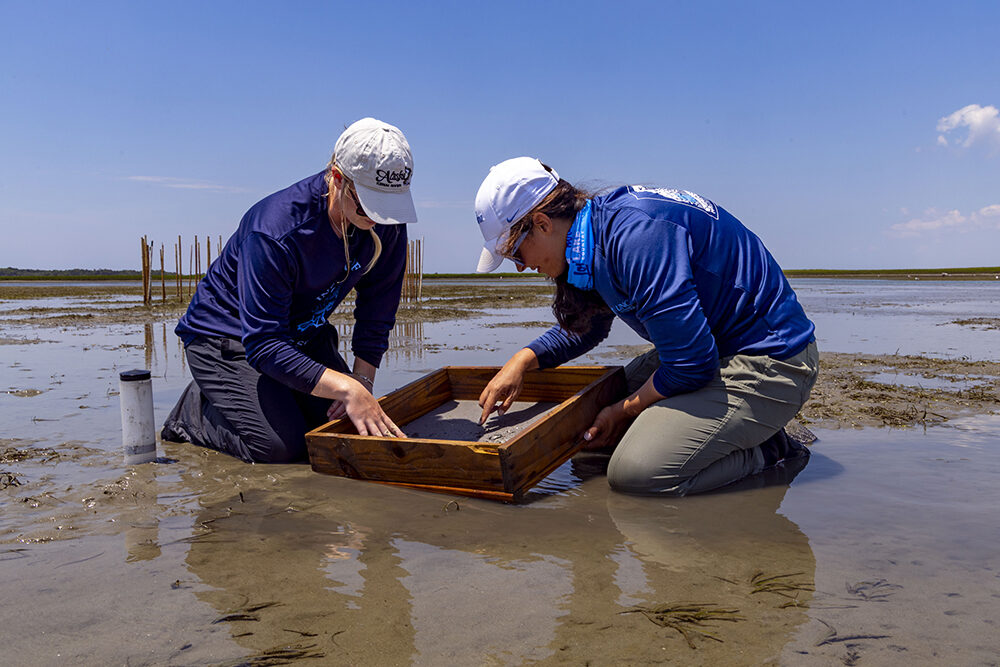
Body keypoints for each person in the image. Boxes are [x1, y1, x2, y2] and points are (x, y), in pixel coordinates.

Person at [474, 157, 818, 496]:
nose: (520, 267)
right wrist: (523, 360)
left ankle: (772, 450)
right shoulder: (592, 236)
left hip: (771, 359)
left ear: (542, 223)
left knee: (637, 473)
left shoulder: (635, 237)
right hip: (710, 347)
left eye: (516, 254)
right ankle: (732, 433)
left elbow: (691, 364)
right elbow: (588, 327)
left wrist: (625, 410)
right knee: (584, 431)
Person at [161, 118, 416, 463]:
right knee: (281, 449)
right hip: (227, 340)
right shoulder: (275, 231)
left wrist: (361, 383)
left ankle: (272, 398)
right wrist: (346, 387)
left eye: (388, 207)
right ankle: (195, 411)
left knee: (338, 429)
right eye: (369, 204)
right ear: (337, 178)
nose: (379, 218)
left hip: (301, 336)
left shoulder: (386, 225)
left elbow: (378, 313)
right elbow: (263, 343)